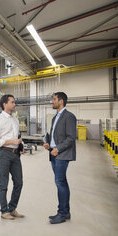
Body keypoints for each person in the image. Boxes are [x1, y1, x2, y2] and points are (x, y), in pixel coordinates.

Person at [43, 92, 77, 224]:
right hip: (54, 153)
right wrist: (48, 144)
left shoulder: (69, 116)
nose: (52, 101)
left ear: (61, 101)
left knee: (60, 182)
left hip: (62, 154)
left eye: (54, 99)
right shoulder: (55, 117)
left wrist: (57, 149)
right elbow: (53, 135)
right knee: (62, 182)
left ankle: (61, 214)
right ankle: (66, 211)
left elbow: (71, 138)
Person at [0, 94, 24, 220]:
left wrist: (21, 146)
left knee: (19, 182)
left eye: (14, 102)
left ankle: (12, 208)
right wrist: (11, 142)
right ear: (5, 104)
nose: (14, 104)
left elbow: (18, 136)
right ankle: (4, 211)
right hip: (3, 154)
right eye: (12, 102)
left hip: (15, 155)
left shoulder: (15, 119)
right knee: (4, 184)